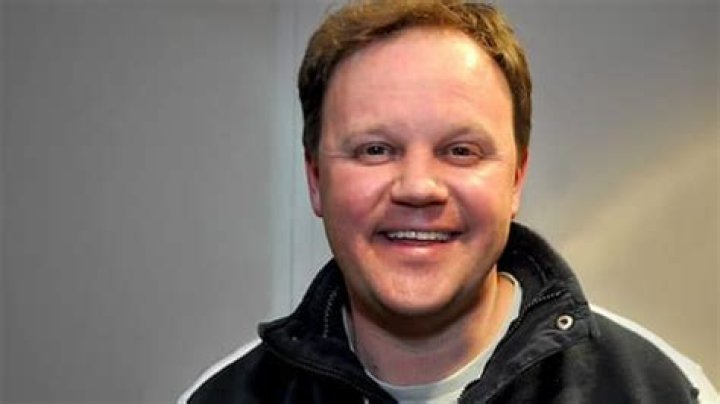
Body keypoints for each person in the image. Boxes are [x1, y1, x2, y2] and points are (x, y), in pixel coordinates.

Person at [180, 1, 718, 402]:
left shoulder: (663, 391)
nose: (418, 187)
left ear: (516, 180)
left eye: (461, 151)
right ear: (316, 179)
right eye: (375, 149)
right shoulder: (221, 398)